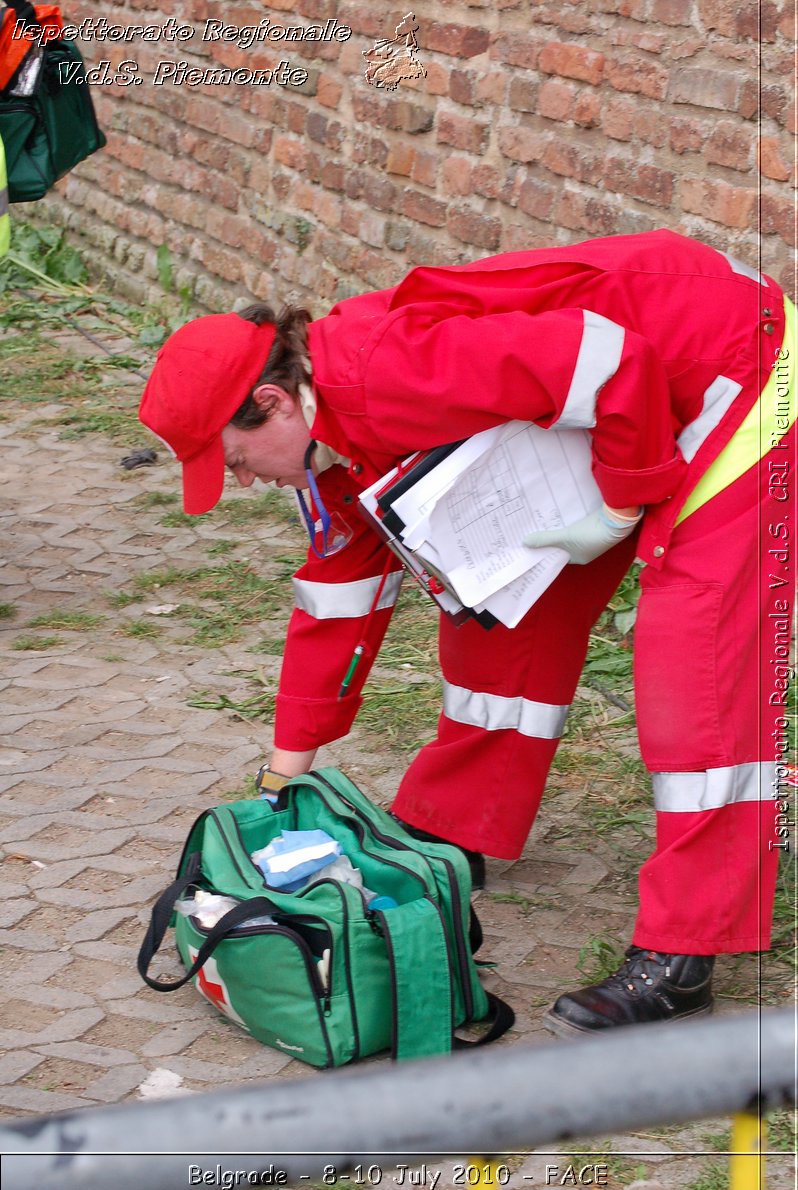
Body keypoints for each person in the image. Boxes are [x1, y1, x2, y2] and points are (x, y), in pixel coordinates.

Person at [139, 229, 795, 1035]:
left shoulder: (384, 372)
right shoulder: (327, 436)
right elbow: (339, 595)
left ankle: (683, 954)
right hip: (618, 402)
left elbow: (612, 361)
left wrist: (624, 502)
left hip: (732, 367)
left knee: (694, 662)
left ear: (272, 403)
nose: (242, 482)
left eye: (234, 460)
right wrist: (281, 779)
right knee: (494, 612)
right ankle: (455, 834)